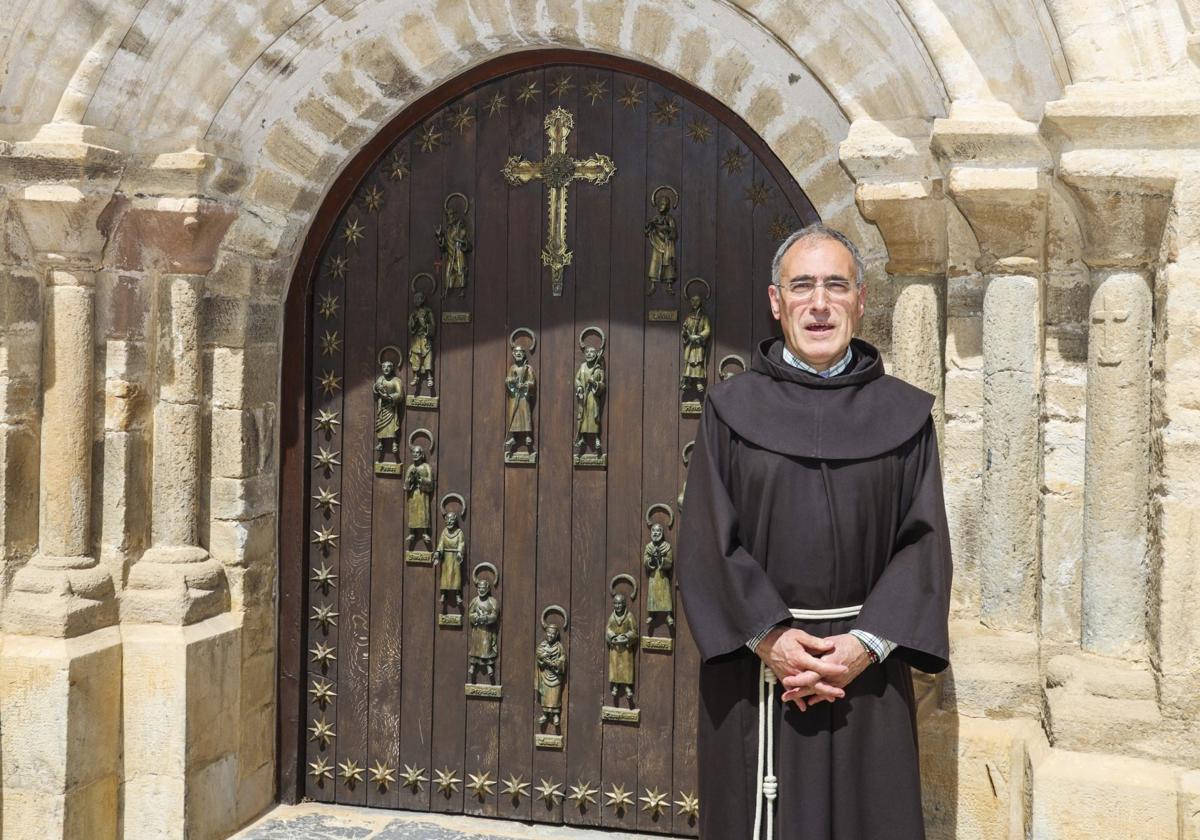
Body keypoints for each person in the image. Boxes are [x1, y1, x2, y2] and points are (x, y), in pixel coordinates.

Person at [678, 223, 951, 840]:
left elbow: (924, 545)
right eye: (802, 286)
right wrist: (769, 638)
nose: (819, 303)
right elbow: (706, 542)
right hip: (760, 677)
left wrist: (866, 644)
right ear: (776, 303)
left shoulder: (904, 416)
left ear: (861, 299)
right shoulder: (729, 410)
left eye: (835, 285)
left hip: (866, 675)